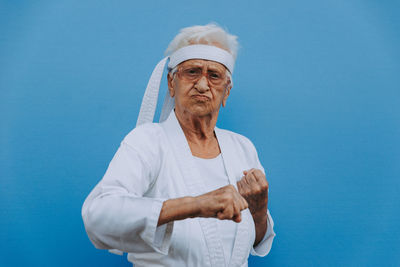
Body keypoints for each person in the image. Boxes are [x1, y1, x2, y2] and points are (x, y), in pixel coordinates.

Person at [82, 23, 276, 267]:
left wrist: (259, 211)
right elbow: (99, 216)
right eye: (192, 72)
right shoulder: (148, 141)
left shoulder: (242, 148)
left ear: (226, 92)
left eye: (214, 75)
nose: (203, 85)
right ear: (172, 83)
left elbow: (252, 241)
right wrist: (196, 204)